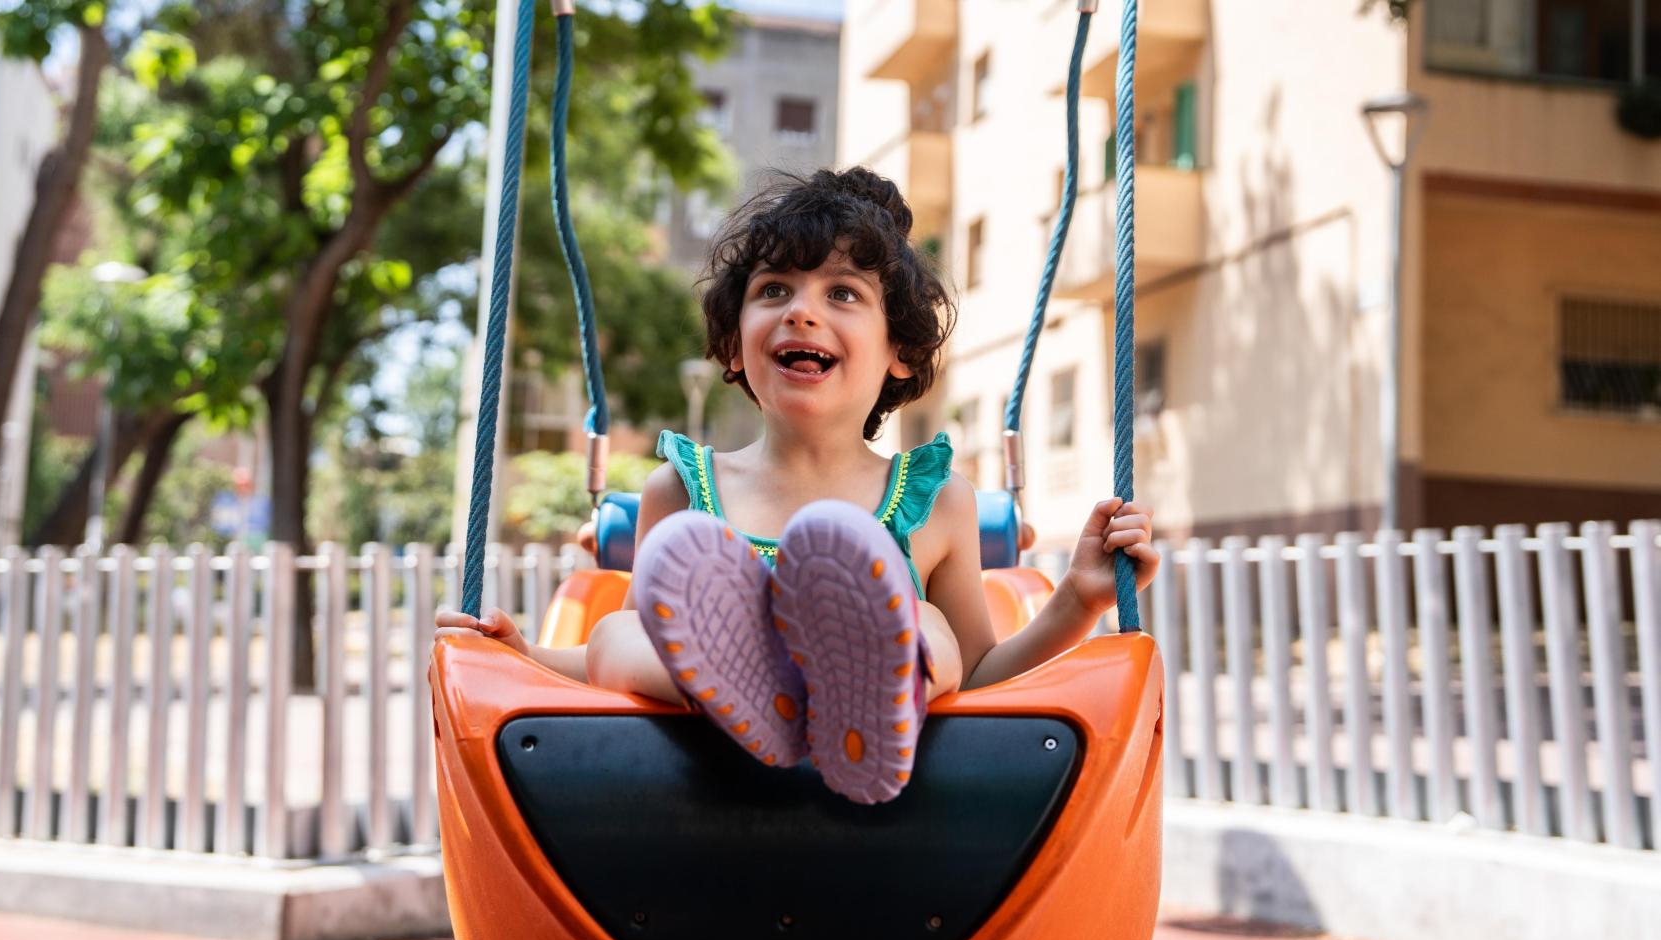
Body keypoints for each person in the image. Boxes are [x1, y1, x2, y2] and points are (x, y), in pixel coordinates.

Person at [438, 168, 1159, 804]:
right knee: (620, 628)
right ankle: (770, 688)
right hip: (705, 779)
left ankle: (869, 688)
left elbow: (976, 671)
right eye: (773, 289)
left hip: (881, 781)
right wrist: (523, 653)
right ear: (732, 342)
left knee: (926, 625)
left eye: (842, 293)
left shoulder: (936, 498)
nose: (800, 310)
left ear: (900, 355)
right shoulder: (684, 492)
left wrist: (1080, 597)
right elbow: (627, 658)